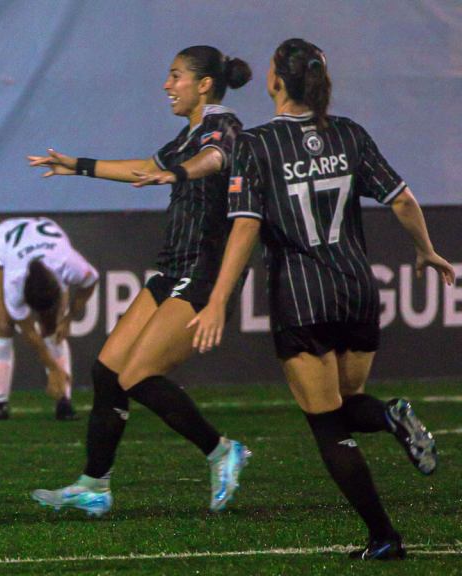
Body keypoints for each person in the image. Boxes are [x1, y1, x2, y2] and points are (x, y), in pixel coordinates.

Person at [190, 38, 455, 560]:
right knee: (349, 402)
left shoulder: (257, 144)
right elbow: (400, 197)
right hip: (358, 290)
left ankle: (384, 536)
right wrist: (426, 251)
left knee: (328, 422)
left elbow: (245, 225)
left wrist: (219, 299)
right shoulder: (348, 134)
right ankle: (389, 417)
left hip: (302, 297)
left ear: (276, 81)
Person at [28, 46, 253, 517]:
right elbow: (144, 168)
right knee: (107, 371)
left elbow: (214, 159)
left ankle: (220, 450)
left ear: (204, 84)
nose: (167, 85)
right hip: (174, 267)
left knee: (138, 374)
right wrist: (78, 166)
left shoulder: (222, 125)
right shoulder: (186, 134)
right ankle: (94, 484)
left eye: (176, 76)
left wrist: (176, 172)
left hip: (203, 270)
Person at [0, 217, 97, 420]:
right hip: (2, 243)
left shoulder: (68, 263)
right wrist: (53, 368)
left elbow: (90, 281)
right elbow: (27, 331)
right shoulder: (14, 282)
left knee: (53, 328)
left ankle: (64, 402)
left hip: (46, 237)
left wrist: (69, 318)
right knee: (3, 323)